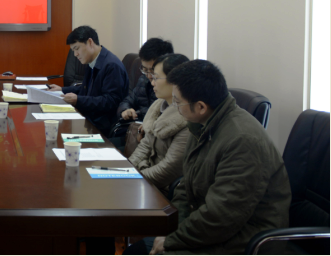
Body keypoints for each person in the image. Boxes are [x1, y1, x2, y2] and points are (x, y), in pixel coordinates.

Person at [127, 60, 291, 255]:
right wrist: (171, 230)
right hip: (210, 225)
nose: (175, 108)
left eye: (178, 103)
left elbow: (222, 216)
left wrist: (172, 240)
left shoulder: (243, 141)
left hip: (244, 239)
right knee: (138, 250)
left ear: (201, 107)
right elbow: (185, 188)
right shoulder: (201, 125)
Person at [48, 26, 128, 136]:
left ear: (90, 42)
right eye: (73, 50)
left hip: (102, 126)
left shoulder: (111, 66)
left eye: (77, 48)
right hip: (90, 118)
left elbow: (111, 101)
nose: (75, 54)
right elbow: (86, 88)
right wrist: (62, 90)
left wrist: (78, 100)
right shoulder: (93, 61)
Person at [128, 53, 190, 194]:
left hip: (164, 190)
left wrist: (133, 177)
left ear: (175, 80)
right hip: (146, 178)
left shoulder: (186, 118)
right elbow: (145, 146)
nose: (152, 82)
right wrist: (127, 170)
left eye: (156, 78)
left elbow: (169, 169)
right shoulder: (158, 106)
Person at [118, 38, 174, 122]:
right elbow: (127, 101)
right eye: (145, 70)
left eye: (152, 71)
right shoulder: (143, 80)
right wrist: (126, 110)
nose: (149, 76)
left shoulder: (169, 88)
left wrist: (139, 113)